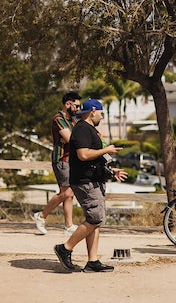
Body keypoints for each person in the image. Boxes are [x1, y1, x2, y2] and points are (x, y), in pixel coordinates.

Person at [53, 99, 127, 272]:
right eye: (101, 113)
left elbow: (94, 158)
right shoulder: (82, 129)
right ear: (93, 111)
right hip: (86, 182)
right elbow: (84, 155)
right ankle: (65, 248)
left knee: (95, 221)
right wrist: (106, 150)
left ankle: (92, 261)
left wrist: (111, 170)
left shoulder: (88, 129)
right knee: (96, 218)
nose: (102, 116)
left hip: (93, 180)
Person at [34, 91, 82, 235]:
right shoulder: (58, 119)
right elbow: (71, 139)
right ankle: (41, 216)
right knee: (66, 192)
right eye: (77, 106)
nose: (78, 109)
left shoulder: (72, 121)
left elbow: (76, 138)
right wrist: (75, 138)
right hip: (62, 159)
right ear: (68, 104)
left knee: (69, 194)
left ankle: (68, 226)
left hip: (71, 160)